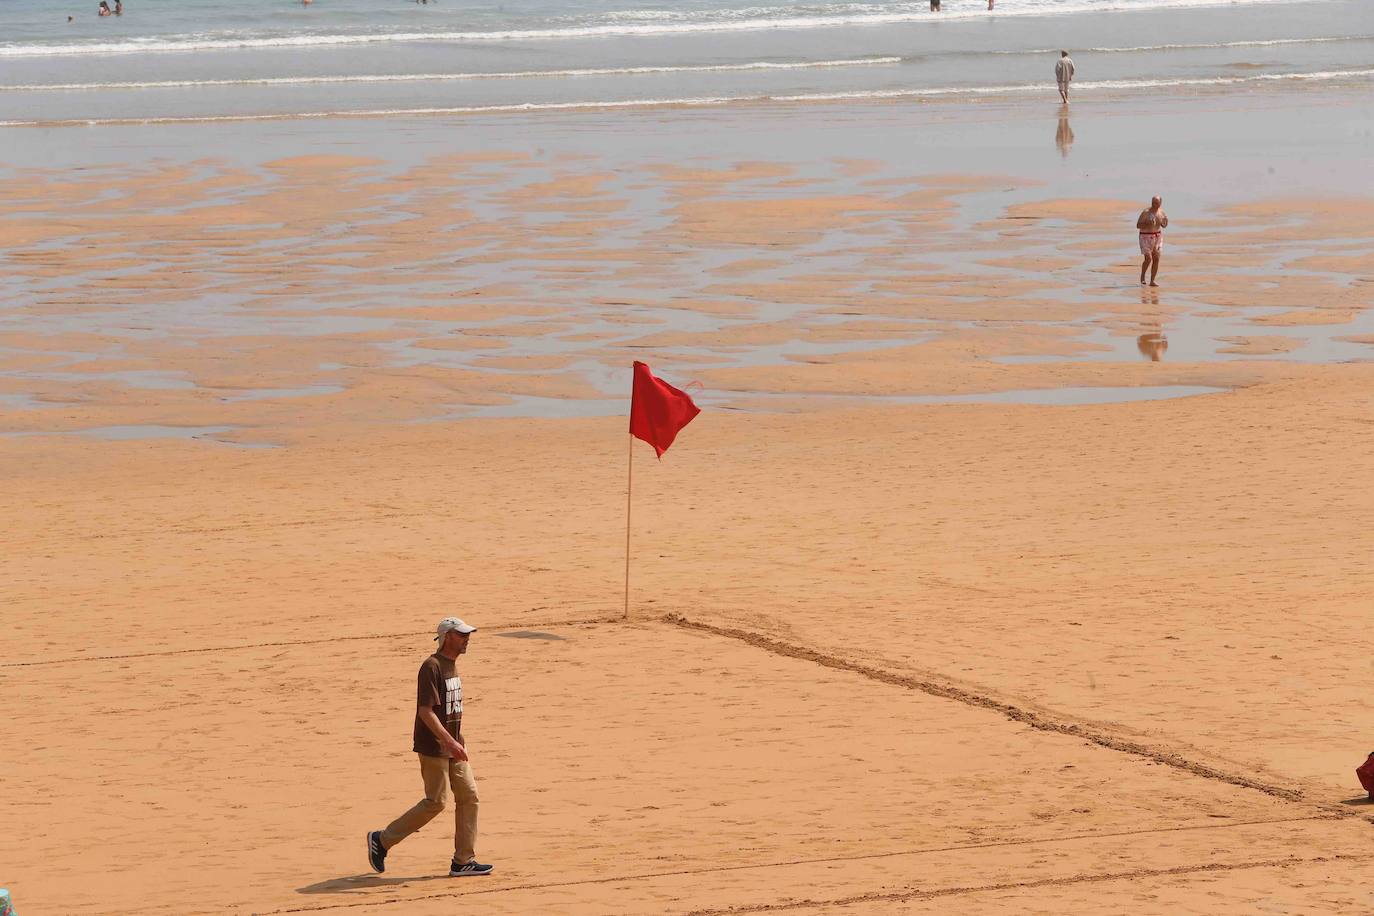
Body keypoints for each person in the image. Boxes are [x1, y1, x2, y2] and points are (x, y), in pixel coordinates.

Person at [367, 617, 494, 878]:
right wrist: (448, 741)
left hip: (455, 746)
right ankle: (382, 840)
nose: (467, 639)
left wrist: (459, 741)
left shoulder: (451, 665)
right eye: (461, 635)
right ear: (447, 636)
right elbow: (425, 711)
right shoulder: (431, 667)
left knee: (469, 795)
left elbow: (450, 710)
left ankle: (463, 860)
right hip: (435, 746)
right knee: (436, 802)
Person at [1137, 195, 1169, 287]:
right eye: (1153, 202)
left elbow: (1164, 225)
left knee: (1156, 258)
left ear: (1160, 203)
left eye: (1156, 203)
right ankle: (1142, 276)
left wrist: (1165, 222)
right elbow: (1138, 225)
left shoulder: (1161, 212)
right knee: (1148, 258)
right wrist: (1146, 223)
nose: (1154, 205)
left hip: (1157, 236)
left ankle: (1152, 280)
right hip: (1145, 237)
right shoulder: (1146, 212)